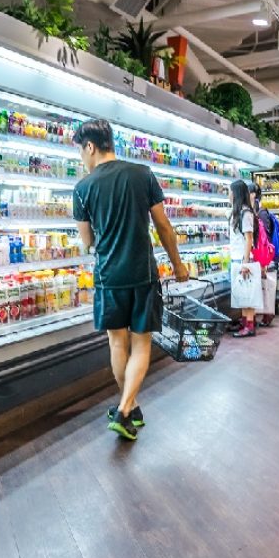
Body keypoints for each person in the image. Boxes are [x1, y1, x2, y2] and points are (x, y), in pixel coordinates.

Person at [73, 119, 188, 441]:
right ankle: (127, 409)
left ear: (90, 147)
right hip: (142, 272)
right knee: (141, 343)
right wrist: (178, 265)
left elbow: (87, 242)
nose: (82, 158)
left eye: (80, 152)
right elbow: (164, 227)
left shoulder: (82, 188)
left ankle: (127, 407)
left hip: (109, 275)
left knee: (117, 343)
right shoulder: (143, 174)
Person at [227, 180, 261, 337]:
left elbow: (249, 239)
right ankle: (244, 322)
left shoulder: (246, 213)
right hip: (237, 259)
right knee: (242, 293)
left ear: (236, 193)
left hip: (243, 259)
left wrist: (245, 262)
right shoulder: (237, 212)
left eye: (230, 191)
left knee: (248, 293)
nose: (229, 194)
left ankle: (249, 325)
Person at [251, 183, 279, 327]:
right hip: (264, 256)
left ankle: (268, 313)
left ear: (253, 195)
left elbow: (264, 238)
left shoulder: (261, 213)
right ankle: (266, 313)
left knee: (265, 284)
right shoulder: (258, 211)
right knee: (264, 285)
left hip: (265, 256)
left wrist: (264, 262)